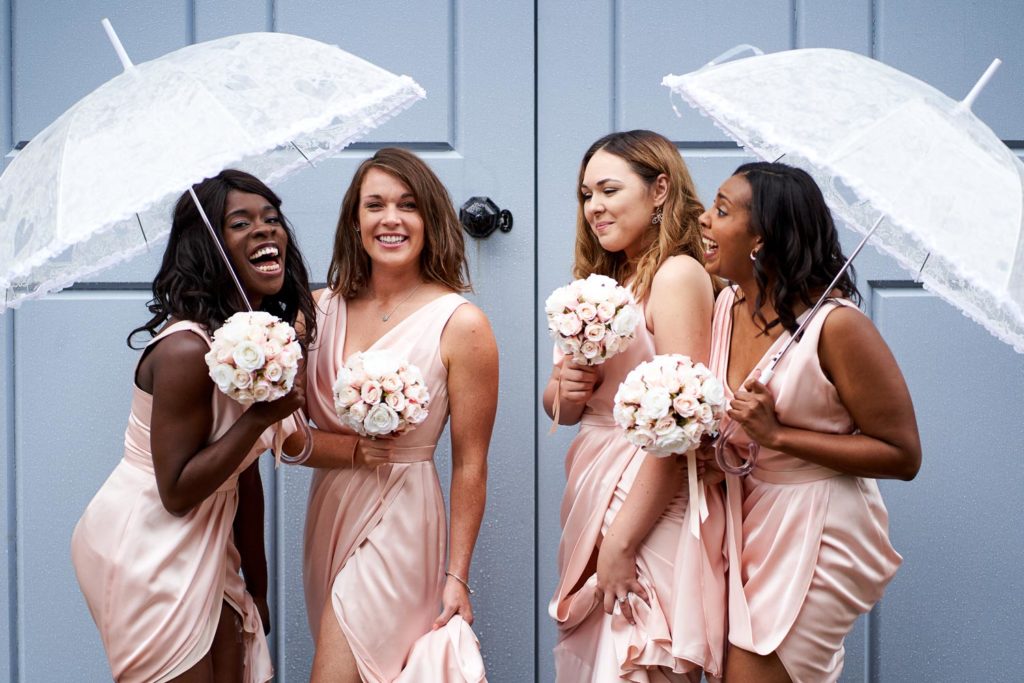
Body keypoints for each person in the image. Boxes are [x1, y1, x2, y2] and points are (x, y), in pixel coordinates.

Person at [71, 169, 316, 682]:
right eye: (241, 223)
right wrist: (260, 419)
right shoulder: (186, 350)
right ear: (208, 246)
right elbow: (177, 490)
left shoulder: (253, 341)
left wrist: (258, 586)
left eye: (272, 219)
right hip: (146, 539)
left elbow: (244, 475)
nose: (266, 230)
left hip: (209, 532)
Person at [698, 162, 921, 683]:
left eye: (722, 210)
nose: (704, 220)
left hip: (818, 522)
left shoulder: (839, 327)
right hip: (746, 513)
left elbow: (903, 454)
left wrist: (779, 436)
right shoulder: (727, 305)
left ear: (762, 238)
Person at [296, 147, 498, 682]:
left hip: (405, 518)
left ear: (429, 219)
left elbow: (470, 464)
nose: (391, 219)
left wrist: (458, 576)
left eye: (408, 205)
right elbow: (283, 436)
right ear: (354, 219)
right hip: (331, 510)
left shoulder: (461, 323)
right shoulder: (316, 312)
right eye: (375, 204)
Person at [543, 130, 725, 682]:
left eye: (608, 190)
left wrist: (621, 542)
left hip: (649, 500)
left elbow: (682, 425)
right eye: (585, 194)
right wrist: (564, 386)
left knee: (643, 656)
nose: (593, 207)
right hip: (593, 483)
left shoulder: (676, 275)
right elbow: (564, 408)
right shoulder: (603, 281)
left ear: (659, 189)